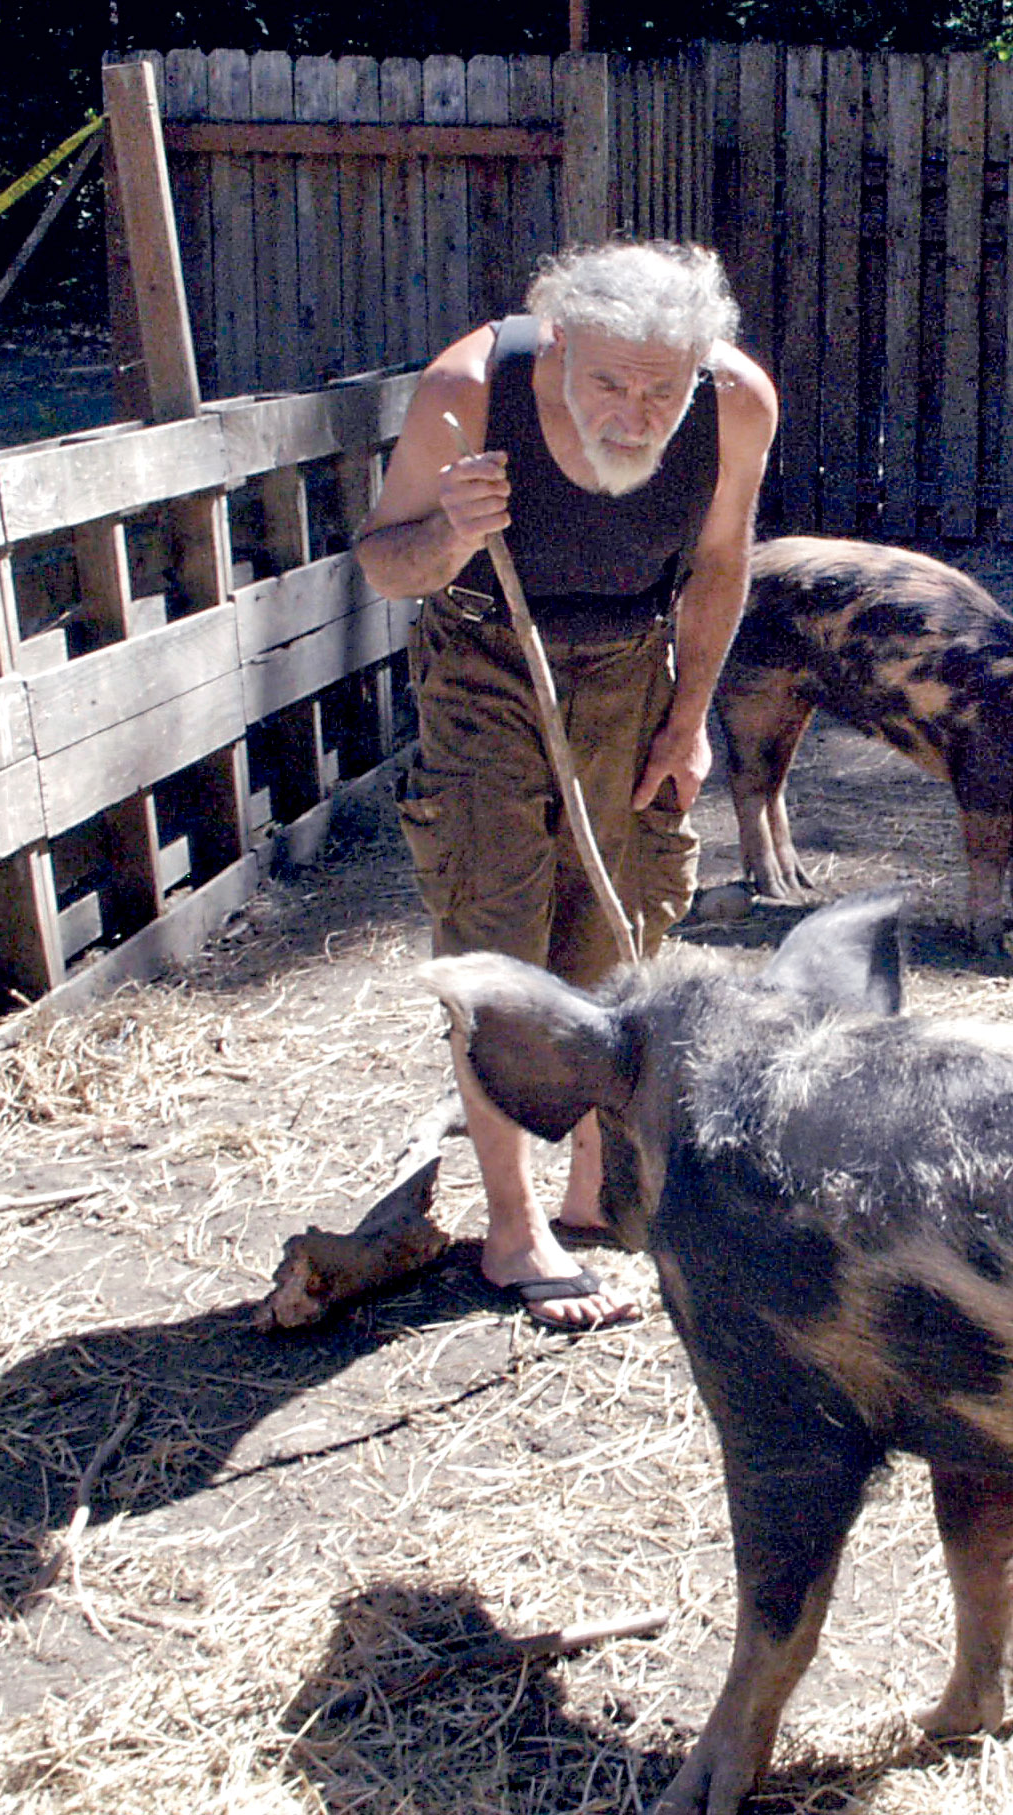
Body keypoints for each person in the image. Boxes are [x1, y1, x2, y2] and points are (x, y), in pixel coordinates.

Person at [355, 241, 777, 1329]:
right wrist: (450, 529)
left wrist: (688, 725)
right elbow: (383, 564)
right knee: (496, 937)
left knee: (615, 921)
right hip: (488, 653)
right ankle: (512, 1227)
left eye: (662, 390)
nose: (636, 414)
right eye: (608, 385)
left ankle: (597, 1189)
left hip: (634, 663)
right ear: (561, 347)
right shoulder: (469, 392)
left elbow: (723, 563)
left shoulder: (736, 407)